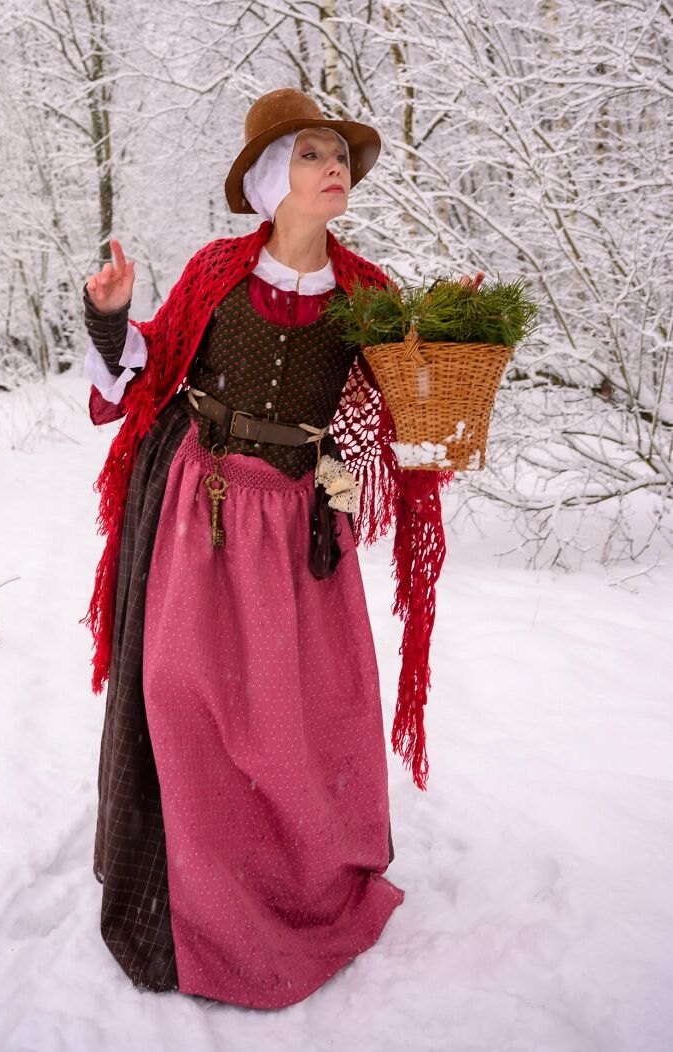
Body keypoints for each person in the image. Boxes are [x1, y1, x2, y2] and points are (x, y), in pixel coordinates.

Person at [82, 87, 474, 1009]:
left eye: (339, 155)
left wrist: (449, 344)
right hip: (200, 504)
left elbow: (414, 412)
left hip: (298, 525)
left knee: (295, 717)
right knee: (181, 691)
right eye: (310, 155)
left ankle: (294, 878)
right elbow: (147, 368)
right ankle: (190, 886)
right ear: (268, 179)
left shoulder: (367, 295)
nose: (333, 168)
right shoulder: (219, 270)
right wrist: (113, 317)